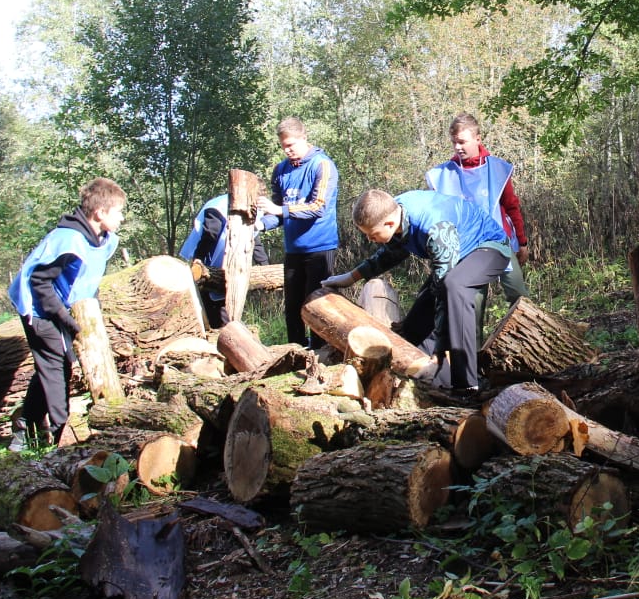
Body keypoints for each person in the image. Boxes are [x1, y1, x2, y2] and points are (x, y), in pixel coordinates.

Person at [321, 189, 511, 395]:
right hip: (455, 257)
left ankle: (465, 382)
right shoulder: (396, 213)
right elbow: (389, 254)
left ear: (389, 224)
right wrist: (350, 277)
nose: (370, 239)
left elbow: (443, 290)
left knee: (454, 287)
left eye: (372, 234)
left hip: (489, 248)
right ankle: (416, 370)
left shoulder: (434, 227)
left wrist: (441, 345)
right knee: (414, 325)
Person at [7, 178, 126, 451]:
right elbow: (39, 283)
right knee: (57, 367)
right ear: (100, 213)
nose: (121, 218)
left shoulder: (103, 240)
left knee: (54, 366)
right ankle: (62, 438)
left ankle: (25, 427)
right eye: (117, 212)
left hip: (62, 308)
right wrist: (65, 319)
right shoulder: (69, 239)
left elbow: (86, 280)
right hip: (38, 309)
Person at [424, 113, 529, 337]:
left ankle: (531, 344)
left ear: (478, 138)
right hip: (467, 249)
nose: (457, 147)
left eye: (462, 141)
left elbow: (511, 206)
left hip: (499, 243)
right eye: (454, 142)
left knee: (518, 294)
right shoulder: (444, 175)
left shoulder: (497, 169)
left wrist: (522, 241)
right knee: (473, 305)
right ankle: (476, 361)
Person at [256, 118, 339, 348]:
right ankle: (295, 353)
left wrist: (279, 210)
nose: (288, 150)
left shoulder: (322, 165)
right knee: (292, 307)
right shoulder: (281, 170)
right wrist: (261, 225)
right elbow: (278, 213)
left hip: (320, 248)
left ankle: (321, 354)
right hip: (293, 249)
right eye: (283, 146)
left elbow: (318, 206)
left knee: (318, 306)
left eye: (291, 144)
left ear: (304, 138)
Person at [178, 193, 272, 327]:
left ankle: (227, 334)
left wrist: (265, 267)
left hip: (232, 267)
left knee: (226, 312)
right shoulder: (218, 206)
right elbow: (210, 235)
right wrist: (199, 261)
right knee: (211, 311)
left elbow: (254, 239)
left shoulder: (252, 210)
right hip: (207, 266)